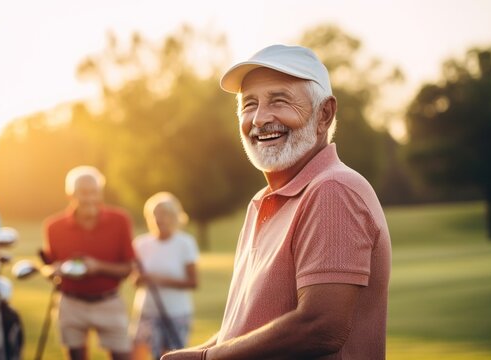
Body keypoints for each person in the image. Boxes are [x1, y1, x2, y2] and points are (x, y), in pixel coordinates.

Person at [162, 44, 392, 360]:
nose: (260, 118)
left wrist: (207, 359)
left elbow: (322, 326)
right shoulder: (262, 201)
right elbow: (253, 324)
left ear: (324, 113)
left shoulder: (333, 189)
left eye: (279, 100)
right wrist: (205, 350)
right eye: (249, 104)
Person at [43, 166, 135, 360]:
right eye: (83, 193)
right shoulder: (53, 226)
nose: (89, 198)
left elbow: (128, 268)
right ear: (71, 195)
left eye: (94, 192)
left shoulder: (119, 220)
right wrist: (53, 270)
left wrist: (98, 267)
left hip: (109, 301)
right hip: (71, 303)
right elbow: (51, 267)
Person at [129, 192, 199, 360]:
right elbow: (135, 280)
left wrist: (157, 280)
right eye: (155, 214)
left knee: (168, 356)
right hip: (146, 311)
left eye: (164, 214)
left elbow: (193, 282)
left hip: (175, 312)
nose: (159, 219)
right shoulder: (141, 243)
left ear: (174, 217)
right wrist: (139, 279)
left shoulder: (185, 243)